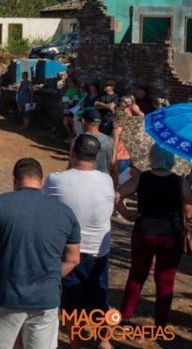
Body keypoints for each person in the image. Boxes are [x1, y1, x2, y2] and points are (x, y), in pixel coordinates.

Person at [0, 158, 81, 349]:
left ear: (15, 180)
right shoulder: (65, 212)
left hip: (5, 295)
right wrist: (50, 275)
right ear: (41, 181)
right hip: (46, 298)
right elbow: (73, 259)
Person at [44, 134, 115, 349]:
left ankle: (76, 343)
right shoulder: (106, 180)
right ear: (97, 155)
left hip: (67, 251)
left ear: (72, 153)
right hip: (98, 251)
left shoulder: (56, 180)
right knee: (99, 299)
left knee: (72, 303)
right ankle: (104, 340)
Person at [116, 145, 192, 327]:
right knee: (166, 279)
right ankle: (160, 324)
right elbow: (189, 211)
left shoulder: (141, 178)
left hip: (144, 231)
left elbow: (116, 196)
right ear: (171, 159)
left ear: (151, 157)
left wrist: (126, 214)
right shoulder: (180, 182)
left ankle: (125, 316)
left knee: (137, 275)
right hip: (171, 235)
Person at [78, 108, 117, 187]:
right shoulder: (110, 140)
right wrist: (114, 186)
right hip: (103, 184)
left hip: (84, 184)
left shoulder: (78, 140)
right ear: (99, 122)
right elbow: (113, 166)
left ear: (83, 121)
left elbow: (72, 165)